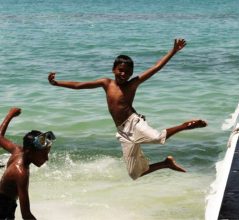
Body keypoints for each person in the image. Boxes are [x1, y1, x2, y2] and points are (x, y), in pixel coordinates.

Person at [48, 38, 207, 180]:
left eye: (127, 72)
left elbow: (156, 67)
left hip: (134, 123)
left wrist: (173, 51)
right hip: (123, 131)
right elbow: (78, 85)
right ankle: (166, 163)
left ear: (132, 73)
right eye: (120, 70)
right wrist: (57, 83)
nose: (123, 74)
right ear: (113, 69)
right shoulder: (106, 83)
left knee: (158, 138)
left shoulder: (133, 84)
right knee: (134, 174)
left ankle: (185, 125)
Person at [0, 107, 56, 219]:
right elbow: (26, 215)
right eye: (43, 154)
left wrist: (10, 115)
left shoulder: (18, 151)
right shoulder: (21, 173)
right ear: (30, 152)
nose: (47, 159)